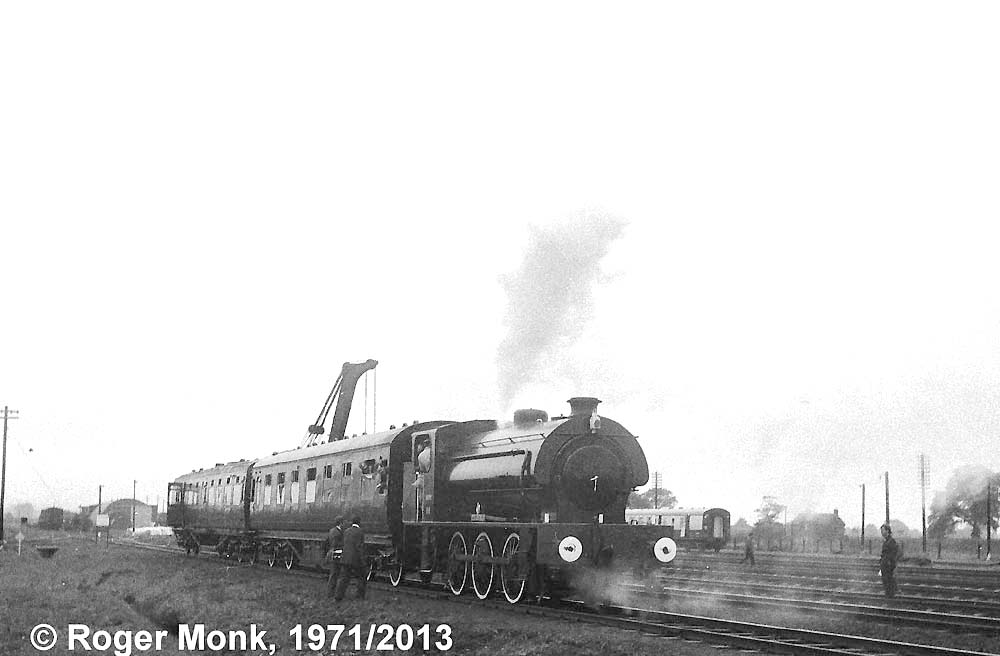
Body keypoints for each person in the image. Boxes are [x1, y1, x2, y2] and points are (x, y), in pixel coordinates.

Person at [334, 516, 367, 601]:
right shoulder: (360, 532)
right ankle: (360, 596)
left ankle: (338, 596)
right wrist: (362, 560)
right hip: (355, 559)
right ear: (359, 522)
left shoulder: (346, 531)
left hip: (345, 558)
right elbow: (359, 547)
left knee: (344, 578)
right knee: (361, 577)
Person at [325, 516, 345, 597]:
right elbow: (335, 544)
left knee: (334, 574)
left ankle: (331, 592)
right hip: (336, 555)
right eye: (343, 522)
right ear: (341, 523)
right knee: (335, 574)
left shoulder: (332, 531)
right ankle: (331, 593)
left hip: (333, 554)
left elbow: (327, 542)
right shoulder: (337, 532)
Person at [879, 523, 900, 598]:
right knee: (886, 581)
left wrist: (890, 563)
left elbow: (894, 554)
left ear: (887, 531)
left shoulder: (891, 541)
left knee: (889, 581)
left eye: (883, 530)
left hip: (889, 565)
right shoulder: (886, 541)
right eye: (881, 530)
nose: (881, 532)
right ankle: (889, 596)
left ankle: (890, 596)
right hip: (885, 565)